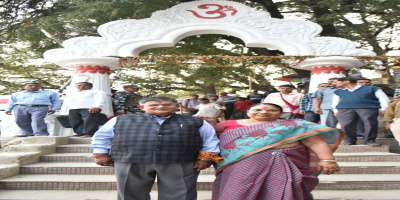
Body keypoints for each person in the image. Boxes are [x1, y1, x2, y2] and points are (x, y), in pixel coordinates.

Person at [90, 96, 220, 200]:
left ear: (176, 107)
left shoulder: (196, 121)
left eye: (166, 105)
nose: (160, 107)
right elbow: (102, 136)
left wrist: (206, 158)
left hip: (181, 161)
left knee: (180, 194)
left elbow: (210, 139)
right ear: (141, 107)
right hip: (130, 160)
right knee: (130, 193)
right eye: (153, 105)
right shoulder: (120, 120)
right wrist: (101, 153)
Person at [212, 103, 343, 200]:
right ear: (248, 112)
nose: (263, 112)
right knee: (237, 194)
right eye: (257, 110)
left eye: (272, 110)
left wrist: (327, 159)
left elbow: (316, 142)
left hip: (286, 165)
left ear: (280, 113)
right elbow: (213, 143)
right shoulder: (226, 124)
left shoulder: (297, 125)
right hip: (239, 168)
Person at [332, 77, 390, 147]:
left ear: (347, 81)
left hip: (368, 108)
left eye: (338, 82)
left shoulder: (372, 89)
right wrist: (335, 110)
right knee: (345, 125)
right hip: (344, 109)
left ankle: (370, 140)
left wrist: (383, 108)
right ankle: (349, 140)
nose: (336, 84)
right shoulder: (338, 91)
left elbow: (383, 98)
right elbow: (335, 102)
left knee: (370, 123)